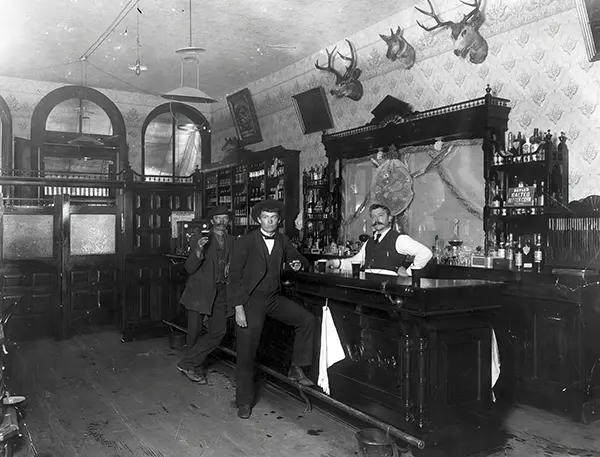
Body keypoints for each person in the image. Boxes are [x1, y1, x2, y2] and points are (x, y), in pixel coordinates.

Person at [228, 199, 314, 419]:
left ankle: (296, 366)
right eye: (265, 217)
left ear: (279, 220)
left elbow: (297, 257)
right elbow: (234, 278)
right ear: (258, 219)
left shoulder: (283, 239)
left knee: (306, 319)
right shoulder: (245, 242)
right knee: (246, 353)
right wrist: (239, 308)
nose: (270, 222)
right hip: (250, 302)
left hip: (273, 299)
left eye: (274, 218)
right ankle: (244, 402)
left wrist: (295, 262)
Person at [177, 205, 234, 384]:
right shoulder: (199, 239)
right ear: (212, 221)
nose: (222, 221)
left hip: (221, 291)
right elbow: (189, 268)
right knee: (193, 333)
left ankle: (188, 363)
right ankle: (195, 368)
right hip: (199, 292)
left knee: (219, 331)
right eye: (218, 218)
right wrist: (198, 252)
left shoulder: (233, 241)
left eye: (225, 218)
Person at [327, 203, 432, 276]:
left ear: (390, 218)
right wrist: (335, 263)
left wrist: (409, 272)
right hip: (368, 288)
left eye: (380, 216)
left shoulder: (399, 239)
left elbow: (425, 253)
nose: (376, 220)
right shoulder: (370, 241)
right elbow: (356, 261)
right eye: (373, 217)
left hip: (389, 290)